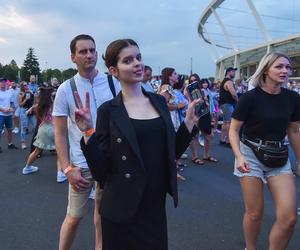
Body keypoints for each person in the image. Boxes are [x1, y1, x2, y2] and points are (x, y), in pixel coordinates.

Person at [74, 38, 199, 250]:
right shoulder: (108, 110)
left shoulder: (159, 102)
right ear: (114, 70)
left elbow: (170, 154)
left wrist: (188, 124)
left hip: (154, 205)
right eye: (128, 60)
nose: (137, 64)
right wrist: (87, 131)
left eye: (138, 58)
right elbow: (101, 172)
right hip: (121, 207)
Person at [53, 34, 121, 250]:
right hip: (82, 164)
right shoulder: (65, 89)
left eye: (92, 50)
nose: (89, 55)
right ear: (73, 57)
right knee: (74, 217)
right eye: (83, 51)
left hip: (111, 161)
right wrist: (66, 168)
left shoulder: (113, 82)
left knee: (103, 215)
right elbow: (60, 133)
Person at [229, 52, 300, 250]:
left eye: (287, 67)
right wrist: (239, 156)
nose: (285, 70)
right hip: (250, 154)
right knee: (255, 213)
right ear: (266, 69)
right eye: (279, 66)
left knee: (289, 218)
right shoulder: (250, 98)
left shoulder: (293, 98)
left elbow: (293, 130)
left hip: (279, 155)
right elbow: (234, 130)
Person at [22, 87, 60, 175]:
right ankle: (60, 173)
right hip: (52, 128)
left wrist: (29, 110)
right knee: (60, 152)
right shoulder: (52, 104)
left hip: (42, 129)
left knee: (36, 151)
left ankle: (27, 167)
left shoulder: (38, 105)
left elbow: (27, 112)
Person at [219, 67, 238, 146]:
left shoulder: (224, 81)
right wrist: (238, 101)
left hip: (224, 104)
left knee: (225, 122)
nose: (234, 73)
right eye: (233, 71)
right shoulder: (229, 82)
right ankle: (228, 140)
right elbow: (233, 94)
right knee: (229, 122)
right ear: (228, 72)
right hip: (228, 104)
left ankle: (222, 139)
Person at [0, 77, 18, 152]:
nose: (3, 83)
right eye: (1, 82)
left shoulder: (9, 92)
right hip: (1, 114)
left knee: (10, 130)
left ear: (6, 83)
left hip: (9, 115)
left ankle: (10, 144)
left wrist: (11, 109)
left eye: (4, 82)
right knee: (0, 131)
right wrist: (3, 110)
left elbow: (11, 103)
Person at [18, 81, 36, 149]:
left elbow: (34, 100)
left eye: (27, 85)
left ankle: (36, 142)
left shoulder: (30, 92)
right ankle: (23, 143)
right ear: (22, 86)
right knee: (24, 127)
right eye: (25, 85)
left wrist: (33, 94)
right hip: (24, 110)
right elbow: (20, 105)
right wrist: (25, 99)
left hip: (31, 110)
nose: (26, 86)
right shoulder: (20, 94)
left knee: (35, 125)